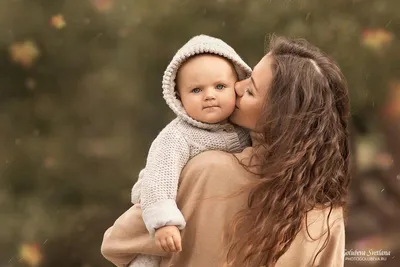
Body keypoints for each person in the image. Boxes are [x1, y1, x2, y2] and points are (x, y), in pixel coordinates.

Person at [101, 35, 350, 267]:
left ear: (277, 116)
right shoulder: (329, 215)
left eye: (250, 90)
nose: (237, 87)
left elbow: (117, 243)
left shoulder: (207, 170)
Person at [128, 34, 252, 266]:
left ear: (238, 86)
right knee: (150, 258)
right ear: (178, 97)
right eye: (196, 90)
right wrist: (164, 222)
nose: (209, 96)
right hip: (169, 218)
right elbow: (158, 180)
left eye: (220, 86)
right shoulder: (177, 136)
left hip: (217, 223)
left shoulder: (245, 129)